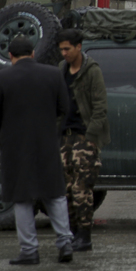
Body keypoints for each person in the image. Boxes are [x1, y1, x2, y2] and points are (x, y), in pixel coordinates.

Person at [0, 36, 74, 265]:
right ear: (33, 53)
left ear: (11, 56)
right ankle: (65, 243)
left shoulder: (1, 78)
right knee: (54, 194)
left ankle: (29, 251)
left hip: (16, 145)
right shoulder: (53, 74)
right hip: (46, 141)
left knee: (22, 198)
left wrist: (8, 127)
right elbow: (64, 107)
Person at [57, 29, 110, 252]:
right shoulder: (61, 70)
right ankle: (70, 233)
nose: (64, 53)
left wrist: (90, 139)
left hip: (84, 138)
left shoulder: (92, 71)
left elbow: (100, 108)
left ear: (79, 47)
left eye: (67, 48)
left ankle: (84, 235)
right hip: (64, 138)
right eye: (61, 49)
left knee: (82, 188)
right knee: (65, 189)